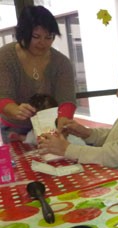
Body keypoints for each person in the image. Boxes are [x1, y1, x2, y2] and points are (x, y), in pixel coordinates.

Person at [0, 5, 76, 144]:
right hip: (14, 129)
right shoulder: (5, 57)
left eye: (49, 37)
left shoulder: (61, 62)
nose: (43, 43)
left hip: (49, 125)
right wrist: (15, 110)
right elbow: (3, 96)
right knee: (20, 163)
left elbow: (67, 100)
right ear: (24, 33)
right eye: (36, 36)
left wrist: (63, 120)